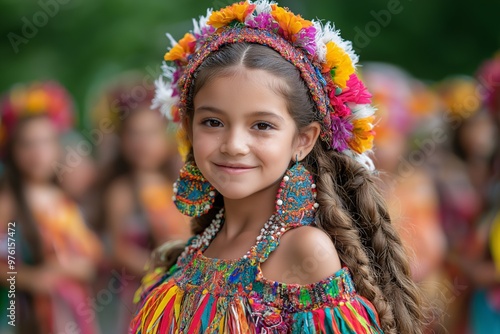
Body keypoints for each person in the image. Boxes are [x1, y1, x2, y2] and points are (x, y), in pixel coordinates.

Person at [131, 1, 424, 333]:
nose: (233, 145)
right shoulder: (193, 248)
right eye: (213, 122)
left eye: (262, 126)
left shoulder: (304, 251)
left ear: (303, 140)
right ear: (188, 126)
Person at [0, 81, 102, 334]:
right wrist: (30, 278)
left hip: (73, 308)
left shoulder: (62, 199)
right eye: (28, 144)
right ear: (12, 150)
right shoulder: (9, 200)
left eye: (46, 142)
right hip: (30, 314)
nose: (38, 153)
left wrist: (74, 267)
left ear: (58, 146)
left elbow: (90, 258)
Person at [95, 74, 191, 333]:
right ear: (123, 141)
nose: (143, 144)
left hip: (181, 286)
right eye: (135, 135)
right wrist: (162, 268)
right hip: (140, 290)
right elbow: (118, 249)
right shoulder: (121, 191)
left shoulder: (178, 183)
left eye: (151, 134)